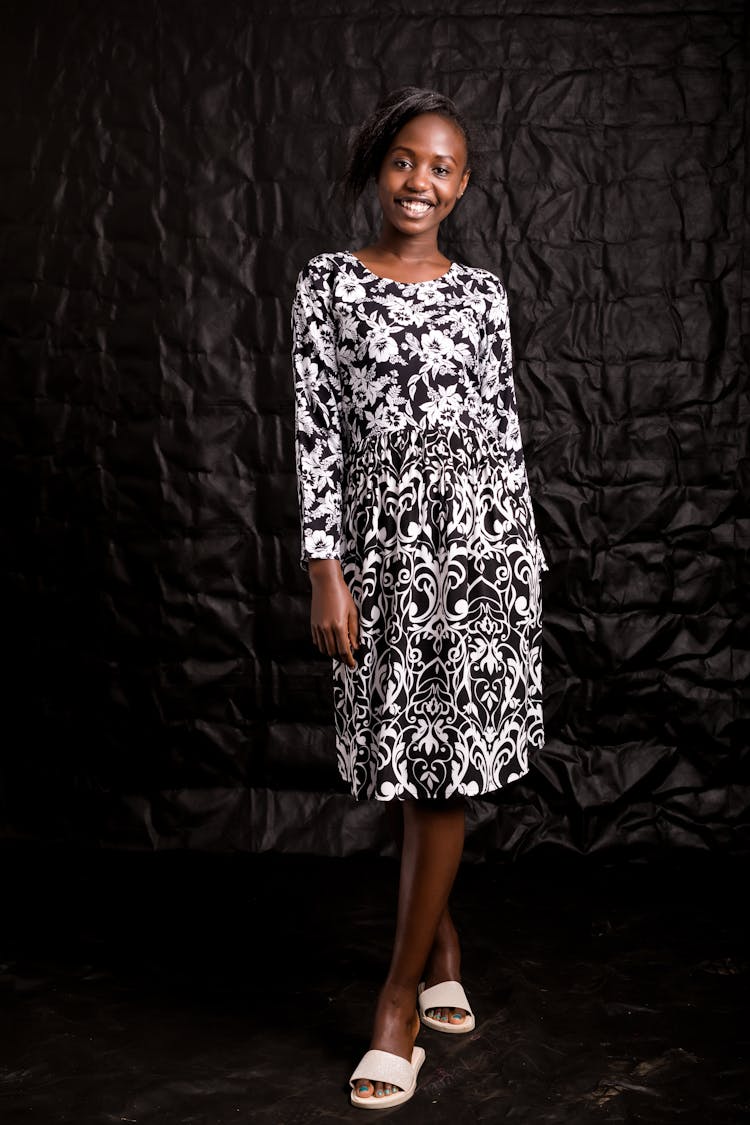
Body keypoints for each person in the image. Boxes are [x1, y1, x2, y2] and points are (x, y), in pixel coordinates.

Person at [290, 86, 549, 1110]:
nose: (421, 182)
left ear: (463, 185)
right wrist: (326, 566)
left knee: (446, 771)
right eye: (406, 160)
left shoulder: (483, 294)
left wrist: (524, 553)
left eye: (442, 168)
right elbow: (315, 429)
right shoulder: (328, 284)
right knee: (403, 751)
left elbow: (505, 426)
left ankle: (397, 1006)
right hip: (386, 552)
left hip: (483, 549)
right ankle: (440, 938)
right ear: (379, 166)